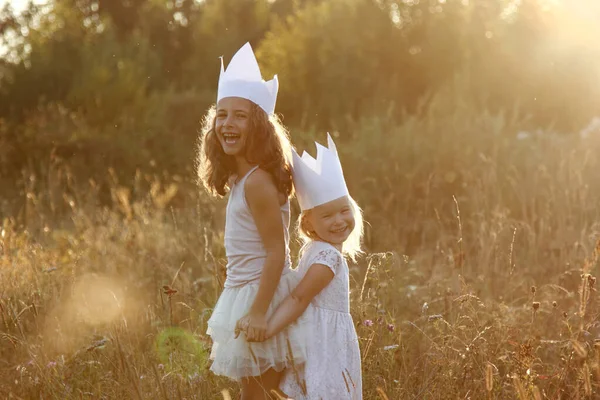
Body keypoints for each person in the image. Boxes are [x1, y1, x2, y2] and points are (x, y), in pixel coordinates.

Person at [197, 42, 307, 400]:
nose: (228, 124)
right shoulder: (245, 179)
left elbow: (278, 251)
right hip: (247, 292)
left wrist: (259, 312)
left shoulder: (258, 181)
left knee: (258, 394)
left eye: (240, 116)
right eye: (222, 114)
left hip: (263, 296)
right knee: (255, 393)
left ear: (258, 125)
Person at [246, 134, 364, 399]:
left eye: (344, 210)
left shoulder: (314, 249)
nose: (339, 221)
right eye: (327, 215)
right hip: (324, 348)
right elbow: (299, 298)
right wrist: (268, 329)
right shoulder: (329, 258)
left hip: (318, 340)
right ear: (309, 223)